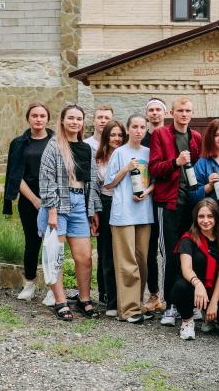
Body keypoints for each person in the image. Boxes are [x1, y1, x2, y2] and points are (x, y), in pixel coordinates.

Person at [39, 105, 102, 320]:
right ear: (63, 121)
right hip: (58, 204)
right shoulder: (54, 146)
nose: (75, 122)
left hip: (80, 206)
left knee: (84, 257)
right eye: (71, 118)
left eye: (79, 119)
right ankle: (60, 301)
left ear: (83, 122)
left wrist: (93, 211)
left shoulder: (87, 149)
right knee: (55, 255)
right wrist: (52, 211)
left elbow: (92, 183)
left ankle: (84, 299)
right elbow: (46, 180)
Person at [148, 96, 202, 326]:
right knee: (170, 255)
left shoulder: (196, 137)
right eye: (180, 110)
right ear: (172, 112)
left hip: (189, 205)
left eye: (188, 110)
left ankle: (187, 304)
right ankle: (170, 305)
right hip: (168, 204)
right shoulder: (161, 135)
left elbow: (196, 165)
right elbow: (154, 168)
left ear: (192, 113)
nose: (184, 114)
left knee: (188, 254)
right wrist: (175, 162)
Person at [104, 115, 155, 324]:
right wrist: (126, 168)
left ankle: (139, 303)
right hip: (123, 214)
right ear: (128, 129)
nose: (138, 131)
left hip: (144, 212)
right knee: (127, 262)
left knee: (142, 261)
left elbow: (154, 182)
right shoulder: (119, 152)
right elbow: (108, 184)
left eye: (142, 127)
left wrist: (146, 192)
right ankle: (127, 309)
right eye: (134, 127)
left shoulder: (149, 153)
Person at [3, 103, 53, 302]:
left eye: (42, 115)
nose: (38, 119)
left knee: (52, 245)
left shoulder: (56, 141)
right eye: (35, 115)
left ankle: (52, 288)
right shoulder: (19, 143)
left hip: (53, 200)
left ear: (47, 119)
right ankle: (30, 284)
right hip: (28, 200)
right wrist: (34, 200)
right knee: (32, 243)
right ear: (28, 118)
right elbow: (15, 175)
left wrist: (47, 201)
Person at [170, 199, 219, 340]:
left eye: (210, 216)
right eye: (201, 216)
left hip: (213, 288)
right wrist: (198, 284)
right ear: (195, 218)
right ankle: (187, 320)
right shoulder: (188, 238)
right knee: (180, 287)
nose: (205, 220)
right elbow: (186, 268)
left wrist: (214, 302)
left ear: (217, 217)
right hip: (192, 287)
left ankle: (209, 316)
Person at [95, 120, 126, 316]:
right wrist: (95, 213)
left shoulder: (128, 156)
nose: (116, 139)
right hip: (106, 205)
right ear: (106, 137)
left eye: (120, 135)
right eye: (113, 135)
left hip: (126, 205)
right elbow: (99, 188)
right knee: (107, 254)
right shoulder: (99, 159)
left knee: (124, 254)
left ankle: (127, 298)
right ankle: (111, 300)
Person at [143, 97, 168, 313]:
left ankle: (171, 296)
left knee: (166, 249)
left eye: (158, 109)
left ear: (165, 113)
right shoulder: (142, 139)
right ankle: (153, 294)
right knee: (149, 249)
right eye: (151, 110)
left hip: (164, 199)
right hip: (142, 202)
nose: (154, 113)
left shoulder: (170, 138)